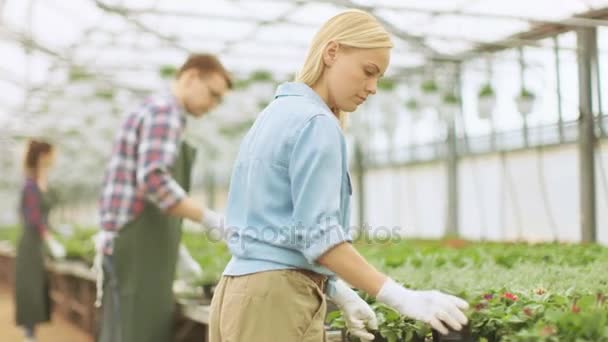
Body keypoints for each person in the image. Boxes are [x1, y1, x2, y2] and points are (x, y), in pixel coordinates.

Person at [209, 9, 469, 342]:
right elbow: (318, 235)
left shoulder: (275, 113)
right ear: (332, 53)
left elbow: (277, 225)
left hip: (238, 292)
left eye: (379, 78)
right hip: (278, 299)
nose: (372, 88)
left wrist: (336, 288)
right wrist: (400, 296)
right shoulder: (317, 123)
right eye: (368, 71)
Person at [97, 54, 231, 342]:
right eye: (213, 94)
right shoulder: (165, 112)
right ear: (191, 77)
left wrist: (177, 248)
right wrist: (208, 218)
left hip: (132, 241)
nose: (214, 105)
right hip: (135, 245)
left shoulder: (152, 109)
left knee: (124, 330)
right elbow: (153, 180)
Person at [15, 139, 66, 342]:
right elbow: (33, 216)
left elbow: (46, 213)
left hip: (40, 239)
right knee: (30, 283)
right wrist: (49, 238)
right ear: (42, 156)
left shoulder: (43, 181)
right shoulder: (30, 184)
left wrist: (54, 232)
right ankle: (29, 332)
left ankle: (31, 330)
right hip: (30, 241)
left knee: (39, 283)